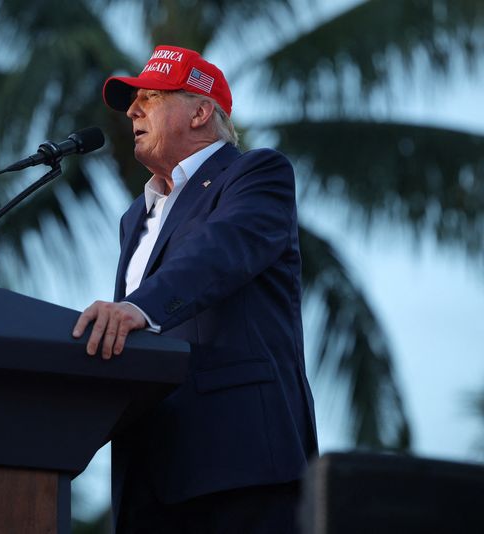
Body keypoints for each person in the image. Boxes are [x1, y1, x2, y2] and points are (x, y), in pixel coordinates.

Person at [72, 45, 318, 533]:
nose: (133, 111)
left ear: (202, 111)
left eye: (151, 98)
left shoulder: (255, 174)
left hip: (238, 467)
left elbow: (220, 251)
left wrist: (137, 308)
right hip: (149, 479)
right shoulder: (133, 219)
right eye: (132, 101)